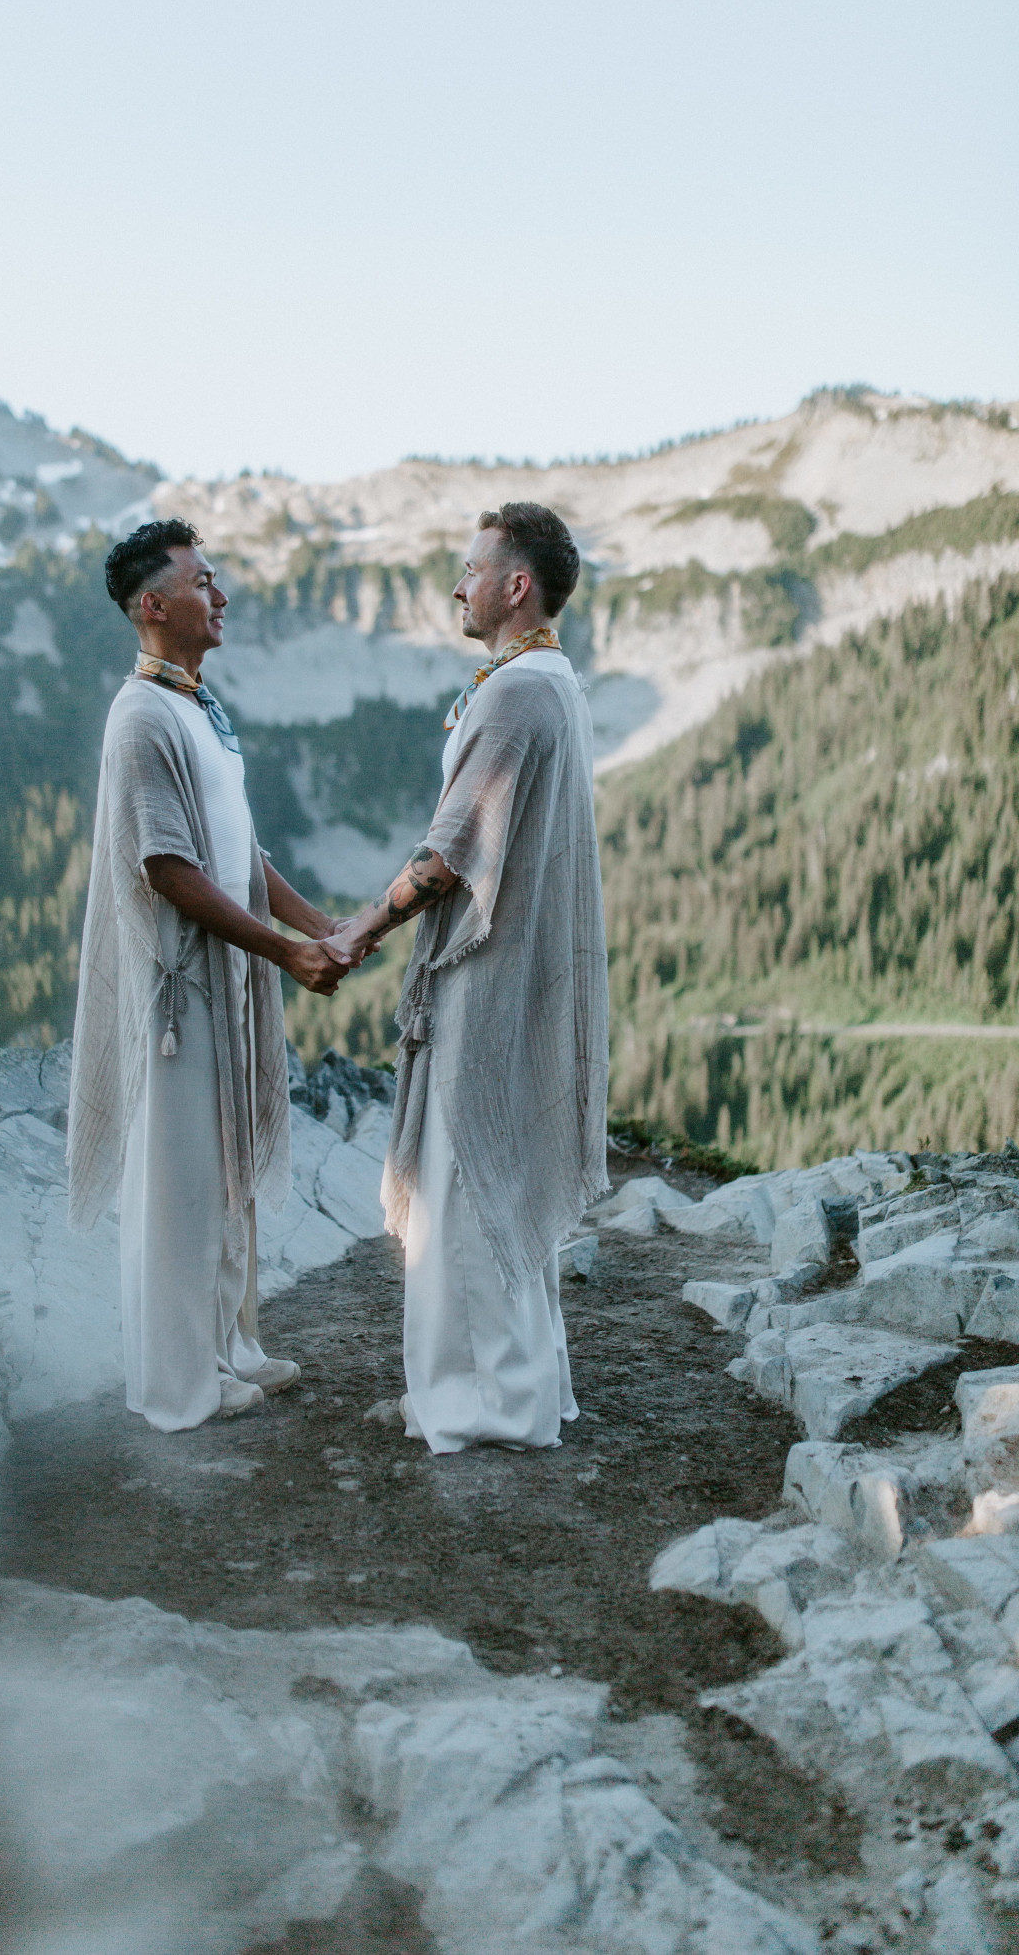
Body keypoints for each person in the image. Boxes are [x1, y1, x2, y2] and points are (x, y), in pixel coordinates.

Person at [330, 503, 610, 1454]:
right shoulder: (546, 681)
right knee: (485, 1173)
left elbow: (450, 853)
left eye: (470, 568)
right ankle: (512, 1387)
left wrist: (356, 931)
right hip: (508, 966)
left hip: (486, 974)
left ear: (515, 585)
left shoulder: (517, 693)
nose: (458, 585)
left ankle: (487, 1405)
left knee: (465, 1179)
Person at [67, 518, 350, 1431]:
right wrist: (285, 952)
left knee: (223, 1175)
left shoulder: (193, 706)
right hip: (177, 991)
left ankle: (231, 1348)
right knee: (181, 1186)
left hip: (221, 982)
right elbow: (168, 868)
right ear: (154, 606)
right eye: (201, 581)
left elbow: (238, 848)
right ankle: (176, 1387)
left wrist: (315, 922)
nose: (218, 595)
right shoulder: (142, 715)